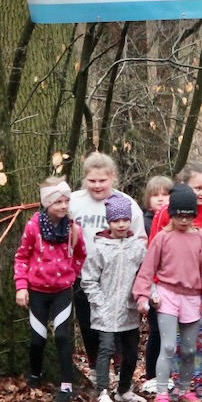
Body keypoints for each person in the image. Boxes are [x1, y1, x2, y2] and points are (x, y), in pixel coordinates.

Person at [133, 184, 202, 402]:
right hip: (168, 295)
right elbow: (148, 268)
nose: (183, 220)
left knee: (189, 349)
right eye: (179, 215)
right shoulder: (162, 238)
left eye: (188, 215)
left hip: (192, 297)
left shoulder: (200, 239)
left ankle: (184, 389)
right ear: (171, 214)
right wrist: (142, 295)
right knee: (168, 346)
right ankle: (162, 393)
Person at [67, 152, 147, 370]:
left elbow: (140, 239)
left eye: (102, 180)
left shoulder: (126, 203)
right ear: (85, 179)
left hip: (118, 274)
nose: (97, 185)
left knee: (119, 323)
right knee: (88, 322)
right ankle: (96, 367)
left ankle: (121, 367)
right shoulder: (73, 202)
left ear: (112, 177)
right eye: (92, 181)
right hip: (83, 274)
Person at [15, 178, 86, 402]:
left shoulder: (73, 229)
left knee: (62, 336)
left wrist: (71, 274)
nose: (63, 206)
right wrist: (21, 286)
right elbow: (22, 257)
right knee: (38, 339)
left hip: (62, 291)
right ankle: (35, 374)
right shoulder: (33, 227)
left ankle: (66, 386)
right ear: (47, 203)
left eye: (66, 201)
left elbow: (80, 254)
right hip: (37, 291)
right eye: (58, 202)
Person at [80, 194, 147, 402]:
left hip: (129, 310)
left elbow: (145, 275)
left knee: (131, 352)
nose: (121, 224)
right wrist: (99, 303)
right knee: (106, 349)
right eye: (116, 220)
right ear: (109, 222)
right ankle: (102, 391)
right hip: (105, 310)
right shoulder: (99, 248)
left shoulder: (138, 248)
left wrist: (144, 297)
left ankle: (124, 389)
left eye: (125, 220)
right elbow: (88, 279)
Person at [139, 176, 172, 393]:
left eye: (165, 194)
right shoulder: (145, 222)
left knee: (173, 334)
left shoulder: (177, 221)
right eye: (155, 195)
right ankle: (152, 374)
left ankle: (170, 374)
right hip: (153, 284)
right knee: (157, 331)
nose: (161, 199)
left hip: (174, 283)